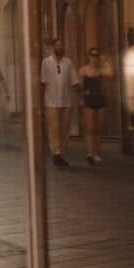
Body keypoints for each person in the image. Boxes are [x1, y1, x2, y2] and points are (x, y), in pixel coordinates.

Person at [40, 38, 80, 169]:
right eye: (57, 45)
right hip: (51, 100)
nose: (59, 47)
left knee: (64, 128)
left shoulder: (68, 62)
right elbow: (43, 82)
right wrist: (40, 100)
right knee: (54, 127)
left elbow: (74, 81)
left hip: (66, 100)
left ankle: (60, 152)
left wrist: (82, 96)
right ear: (53, 47)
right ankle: (56, 153)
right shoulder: (46, 62)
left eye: (61, 45)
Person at [79, 47, 110, 166]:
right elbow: (80, 87)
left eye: (97, 56)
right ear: (88, 56)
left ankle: (96, 152)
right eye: (92, 55)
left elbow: (109, 79)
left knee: (99, 128)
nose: (94, 58)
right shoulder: (83, 70)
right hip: (89, 100)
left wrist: (104, 63)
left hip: (100, 100)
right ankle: (90, 152)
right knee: (90, 128)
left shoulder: (101, 71)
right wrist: (81, 99)